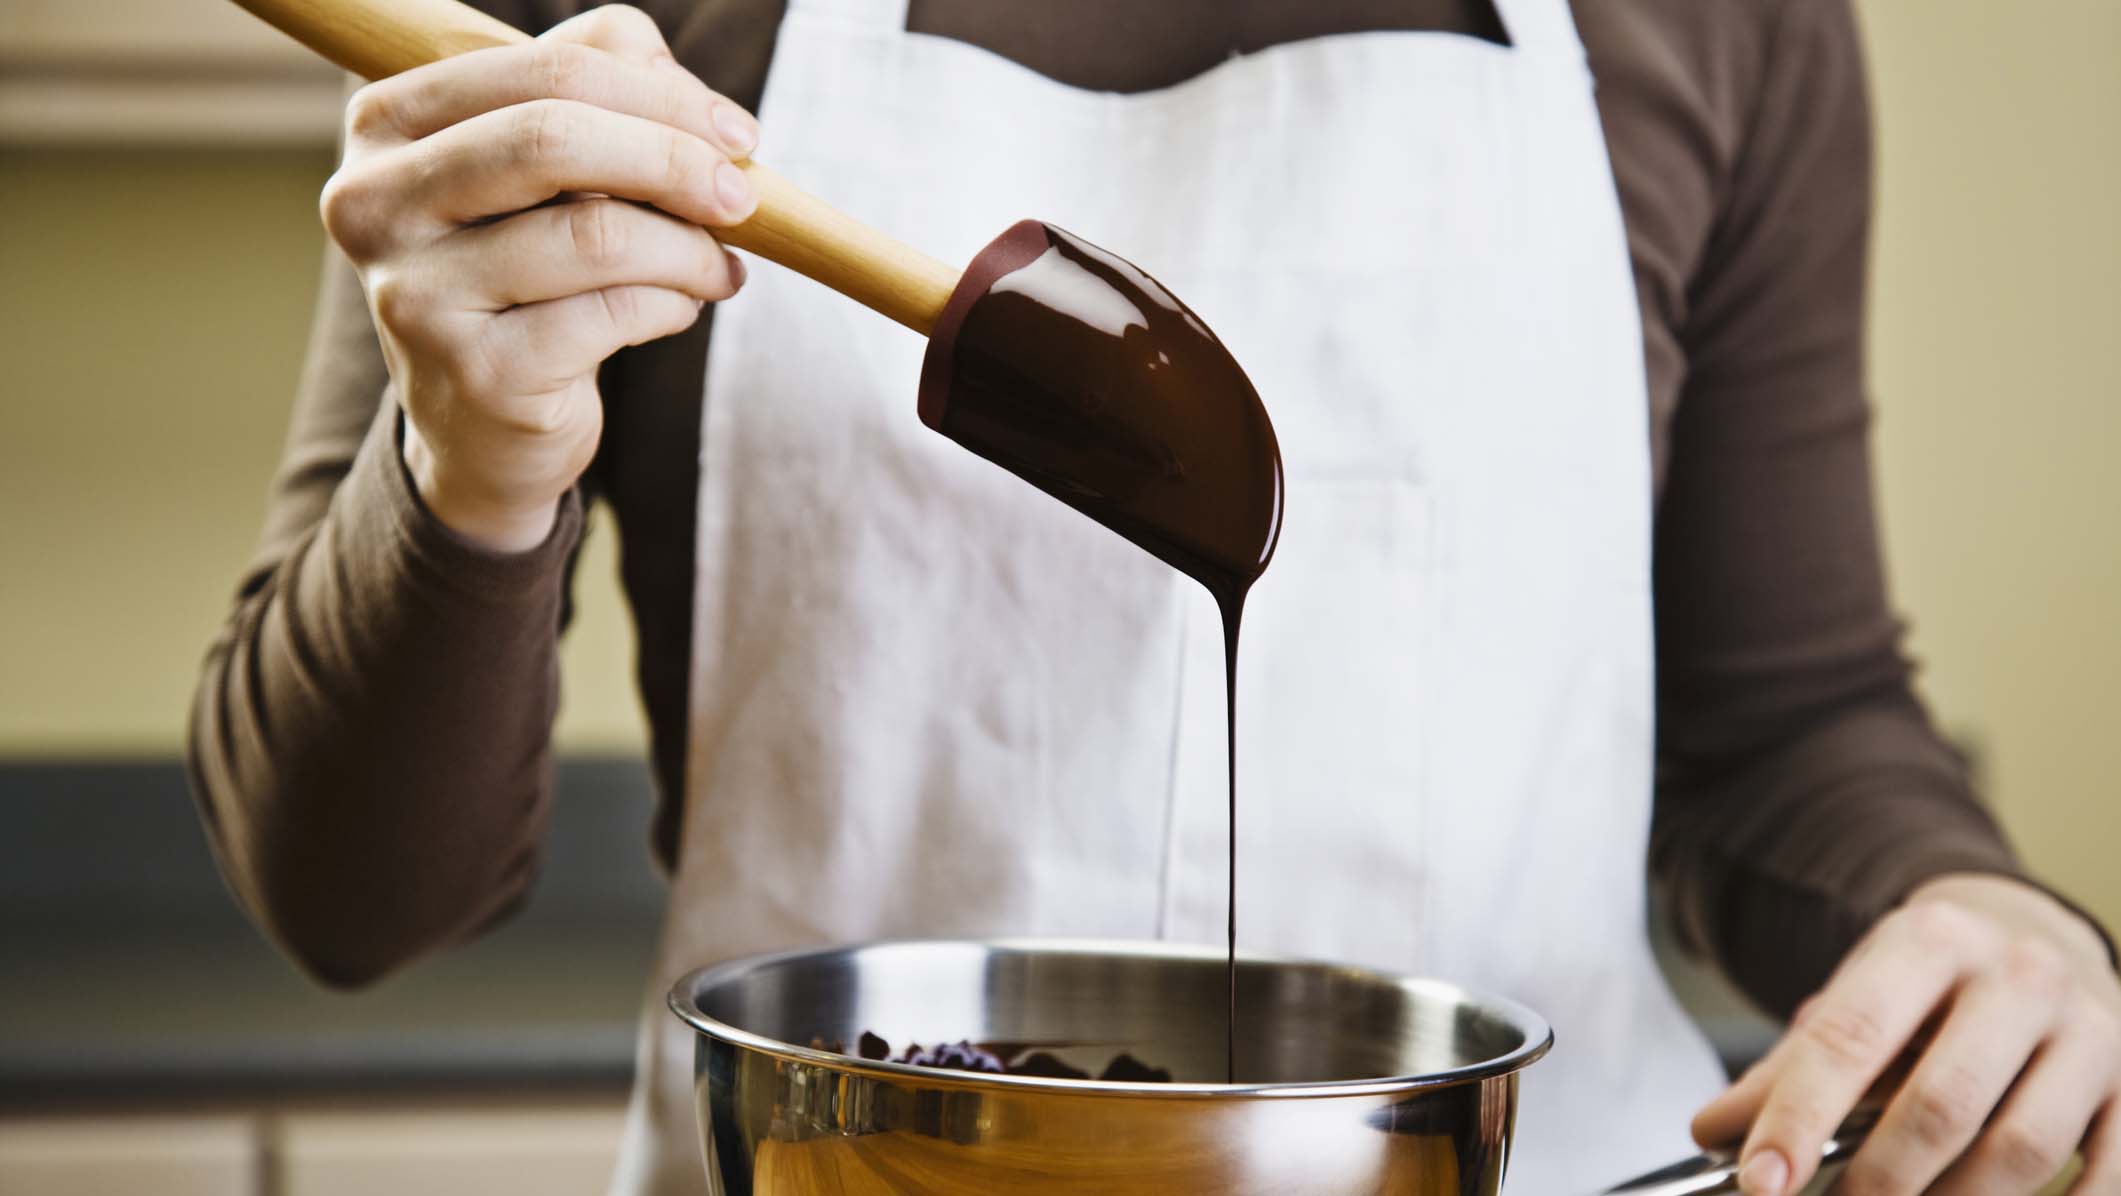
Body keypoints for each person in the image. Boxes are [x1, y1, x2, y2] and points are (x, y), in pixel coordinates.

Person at [188, 0, 2121, 1192]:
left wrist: (1981, 918)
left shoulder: (1719, 22)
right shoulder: (586, 41)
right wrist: (474, 464)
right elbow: (349, 900)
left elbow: (1782, 724)